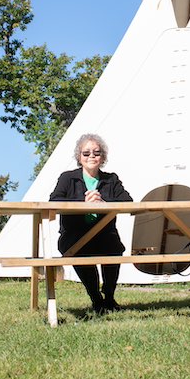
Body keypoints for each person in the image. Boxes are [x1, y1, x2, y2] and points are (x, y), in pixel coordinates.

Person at [49, 133, 132, 314]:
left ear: (103, 156)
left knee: (114, 249)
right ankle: (96, 298)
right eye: (86, 153)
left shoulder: (111, 179)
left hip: (105, 235)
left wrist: (103, 203)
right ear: (79, 157)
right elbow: (54, 200)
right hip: (75, 235)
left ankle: (109, 298)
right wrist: (82, 202)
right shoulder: (67, 178)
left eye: (96, 152)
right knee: (78, 250)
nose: (91, 156)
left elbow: (128, 202)